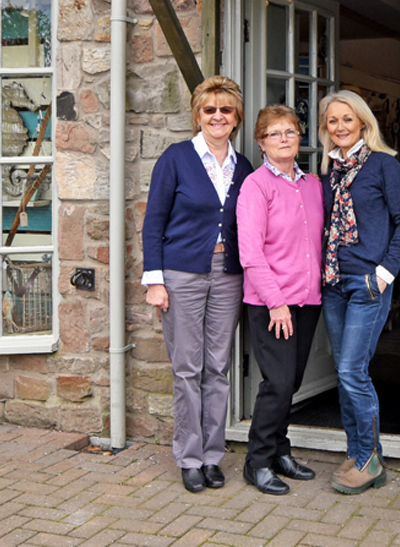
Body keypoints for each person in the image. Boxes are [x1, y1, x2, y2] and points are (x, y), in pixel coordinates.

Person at [142, 76, 254, 493]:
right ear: (198, 115)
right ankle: (189, 458)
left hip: (228, 275)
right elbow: (153, 222)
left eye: (226, 110)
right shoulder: (175, 159)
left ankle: (212, 455)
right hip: (182, 274)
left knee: (218, 368)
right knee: (187, 368)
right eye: (210, 110)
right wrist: (155, 280)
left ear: (236, 116)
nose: (218, 117)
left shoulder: (243, 166)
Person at [318, 90, 400, 495]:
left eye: (347, 119)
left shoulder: (382, 165)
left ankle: (370, 460)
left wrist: (384, 273)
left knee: (351, 372)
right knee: (344, 374)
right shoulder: (330, 171)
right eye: (332, 121)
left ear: (363, 122)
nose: (340, 127)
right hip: (334, 283)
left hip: (366, 285)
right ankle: (358, 451)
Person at [237, 105, 324, 495]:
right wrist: (275, 301)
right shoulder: (256, 186)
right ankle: (256, 462)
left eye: (290, 131)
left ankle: (279, 451)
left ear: (299, 138)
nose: (284, 138)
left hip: (307, 300)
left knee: (293, 383)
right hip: (272, 303)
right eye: (275, 134)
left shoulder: (312, 185)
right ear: (261, 142)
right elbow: (251, 253)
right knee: (278, 383)